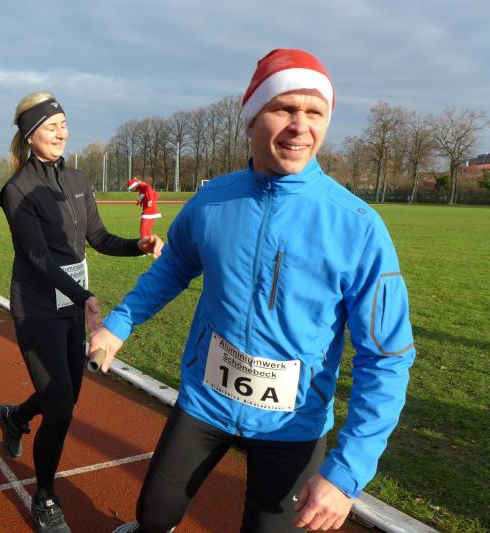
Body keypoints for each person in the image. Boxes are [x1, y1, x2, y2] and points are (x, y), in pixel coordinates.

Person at [91, 49, 416, 533]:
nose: (300, 127)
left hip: (294, 424)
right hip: (207, 401)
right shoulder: (212, 200)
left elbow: (386, 357)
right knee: (153, 516)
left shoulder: (359, 228)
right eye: (284, 108)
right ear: (251, 117)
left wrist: (348, 472)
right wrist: (119, 324)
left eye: (315, 113)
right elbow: (174, 266)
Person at [0, 91, 164, 533]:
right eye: (51, 127)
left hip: (71, 303)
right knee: (61, 410)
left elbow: (99, 238)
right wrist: (83, 295)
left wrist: (138, 245)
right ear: (30, 135)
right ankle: (45, 498)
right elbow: (37, 259)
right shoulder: (17, 191)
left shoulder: (78, 180)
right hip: (37, 307)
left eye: (64, 124)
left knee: (66, 397)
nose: (61, 133)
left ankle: (15, 416)